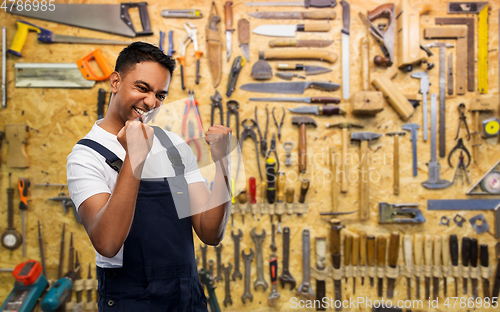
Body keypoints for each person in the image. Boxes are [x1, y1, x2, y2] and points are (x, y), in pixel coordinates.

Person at [67, 42, 232, 311]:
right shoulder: (86, 156)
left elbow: (210, 232)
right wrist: (135, 155)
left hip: (185, 296)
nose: (152, 102)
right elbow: (107, 243)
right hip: (132, 298)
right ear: (116, 82)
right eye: (142, 88)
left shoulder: (174, 145)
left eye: (161, 94)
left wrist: (223, 162)